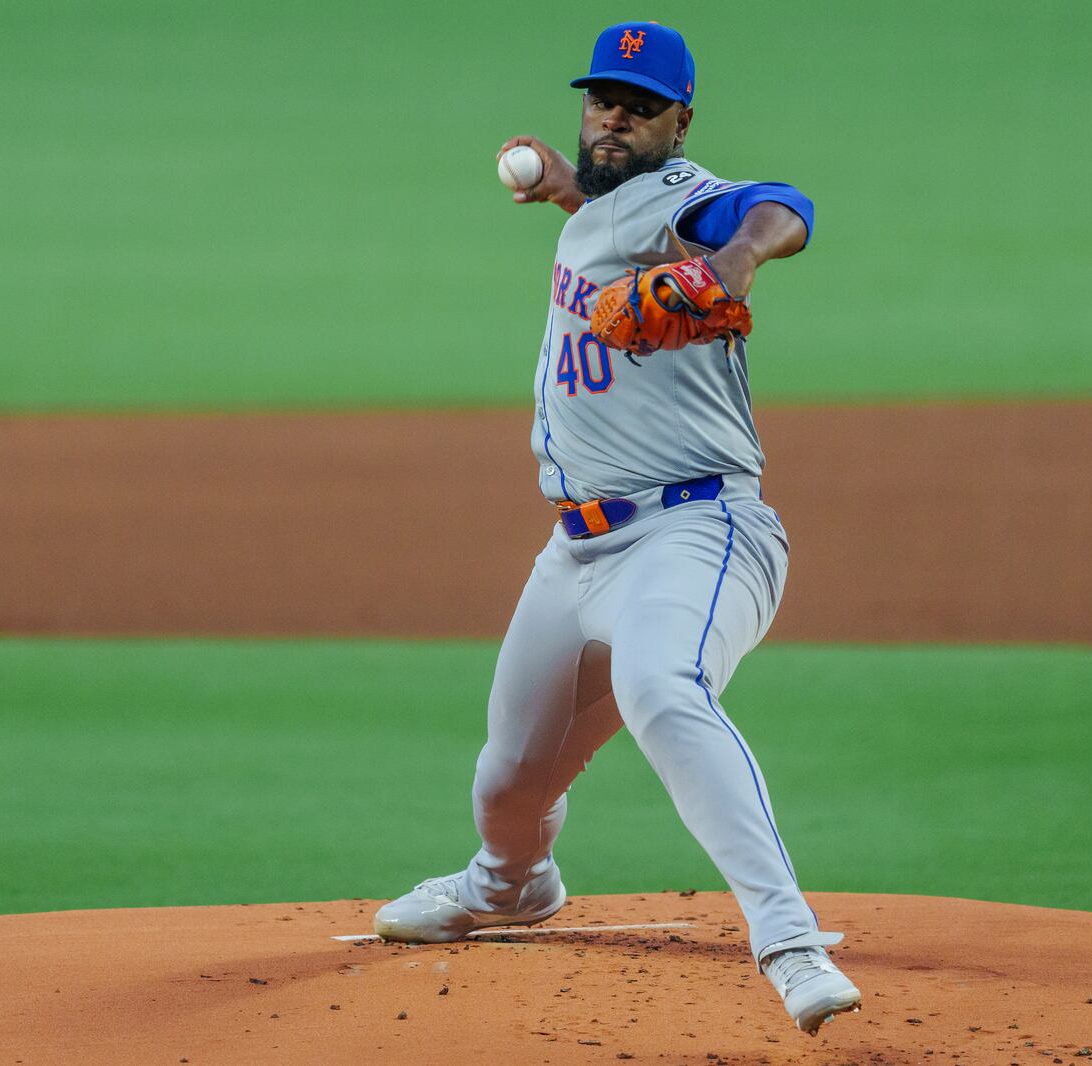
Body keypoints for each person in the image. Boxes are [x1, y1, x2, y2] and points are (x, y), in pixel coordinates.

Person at [373, 21, 861, 1035]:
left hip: (697, 530)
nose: (614, 116)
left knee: (659, 685)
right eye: (603, 99)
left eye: (640, 105)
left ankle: (788, 941)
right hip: (577, 550)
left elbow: (785, 208)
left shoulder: (692, 204)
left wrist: (729, 264)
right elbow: (610, 213)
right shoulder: (605, 204)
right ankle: (513, 884)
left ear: (679, 120)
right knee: (508, 779)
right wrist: (564, 183)